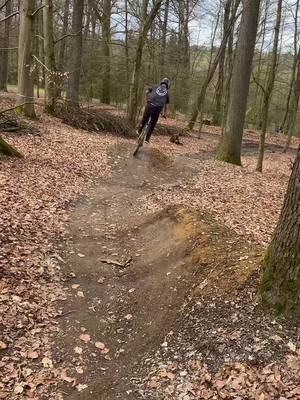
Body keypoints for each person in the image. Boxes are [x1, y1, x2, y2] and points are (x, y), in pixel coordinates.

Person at [136, 78, 170, 143]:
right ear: (167, 85)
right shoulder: (167, 93)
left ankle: (139, 130)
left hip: (149, 105)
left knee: (144, 119)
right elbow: (166, 105)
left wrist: (147, 99)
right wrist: (164, 114)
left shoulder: (155, 86)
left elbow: (146, 92)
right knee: (152, 124)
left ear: (161, 82)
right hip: (157, 109)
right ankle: (147, 139)